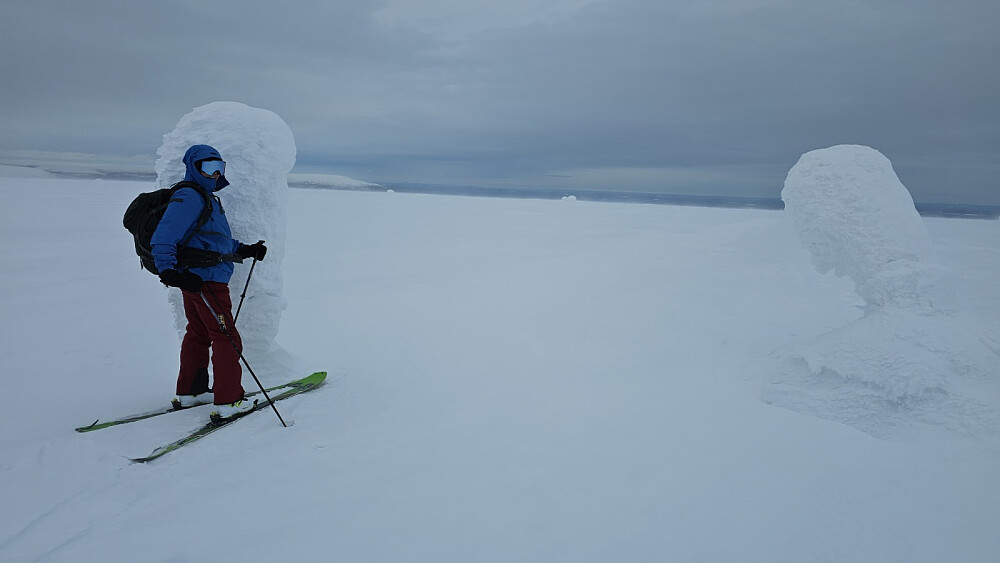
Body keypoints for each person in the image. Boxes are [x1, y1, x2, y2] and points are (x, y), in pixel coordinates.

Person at [151, 144, 268, 420]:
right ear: (193, 168)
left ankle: (191, 392)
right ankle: (229, 401)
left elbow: (213, 240)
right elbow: (163, 237)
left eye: (219, 168)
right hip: (206, 281)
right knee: (227, 337)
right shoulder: (190, 196)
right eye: (208, 167)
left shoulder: (206, 198)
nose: (215, 174)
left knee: (199, 333)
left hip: (198, 279)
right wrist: (168, 271)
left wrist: (244, 250)